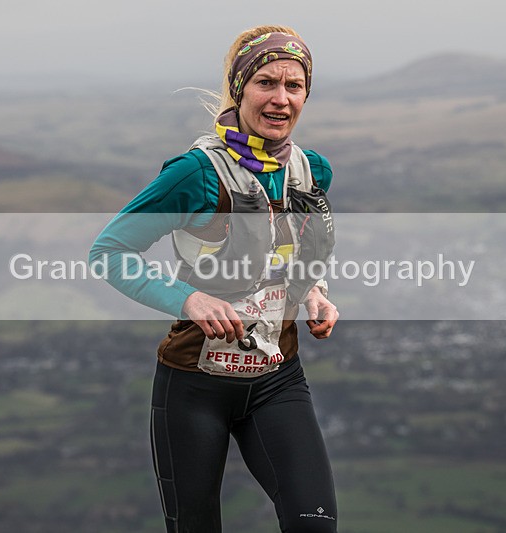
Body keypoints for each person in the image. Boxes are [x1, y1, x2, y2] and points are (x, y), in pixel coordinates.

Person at [90, 24, 339, 532]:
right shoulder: (196, 172)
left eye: (294, 86)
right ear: (240, 87)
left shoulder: (312, 171)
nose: (280, 98)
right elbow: (109, 252)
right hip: (194, 386)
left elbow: (287, 252)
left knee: (315, 525)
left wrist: (313, 291)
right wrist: (188, 299)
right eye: (266, 82)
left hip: (277, 378)